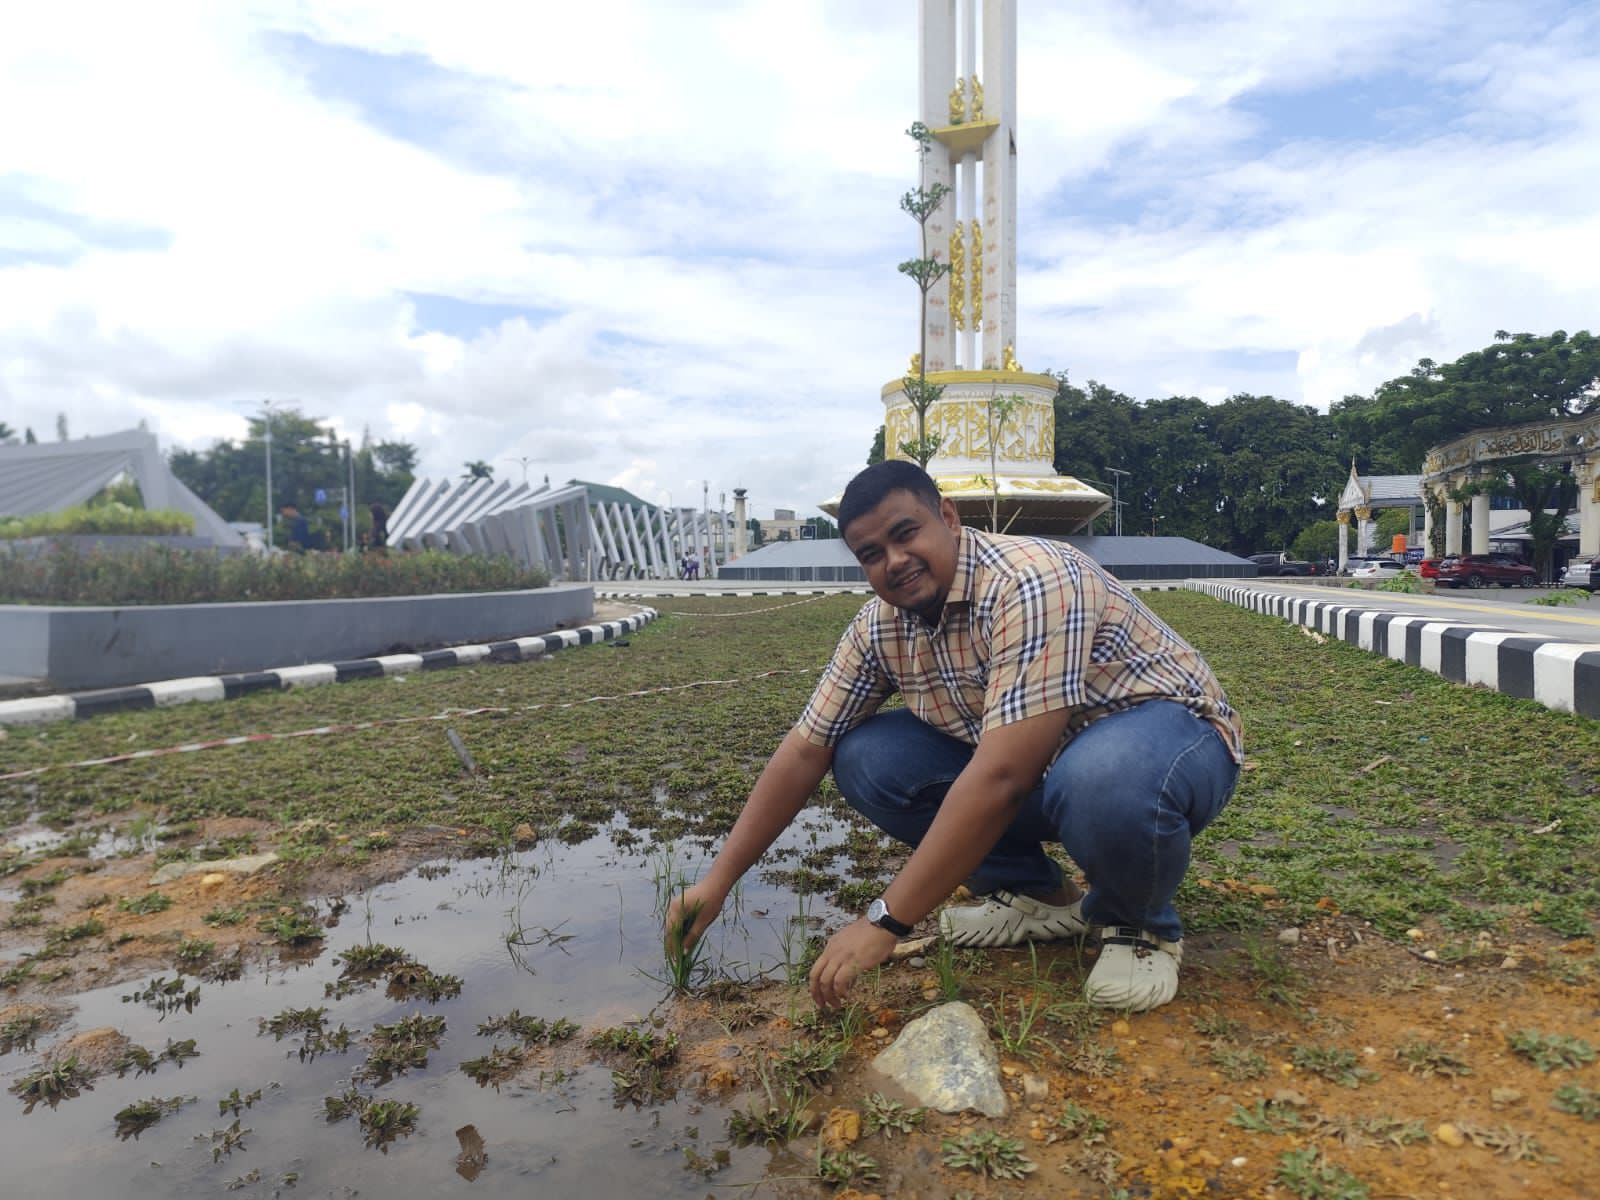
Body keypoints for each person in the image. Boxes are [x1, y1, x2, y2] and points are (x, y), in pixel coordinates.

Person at [666, 461, 1242, 1013]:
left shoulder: (1031, 580)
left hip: (1167, 744)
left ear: (947, 516)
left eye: (905, 534)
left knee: (1102, 774)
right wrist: (716, 883)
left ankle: (1138, 924)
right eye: (871, 554)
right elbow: (804, 750)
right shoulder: (879, 628)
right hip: (1053, 773)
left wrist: (887, 919)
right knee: (867, 756)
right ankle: (1036, 897)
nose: (894, 561)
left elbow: (1002, 777)